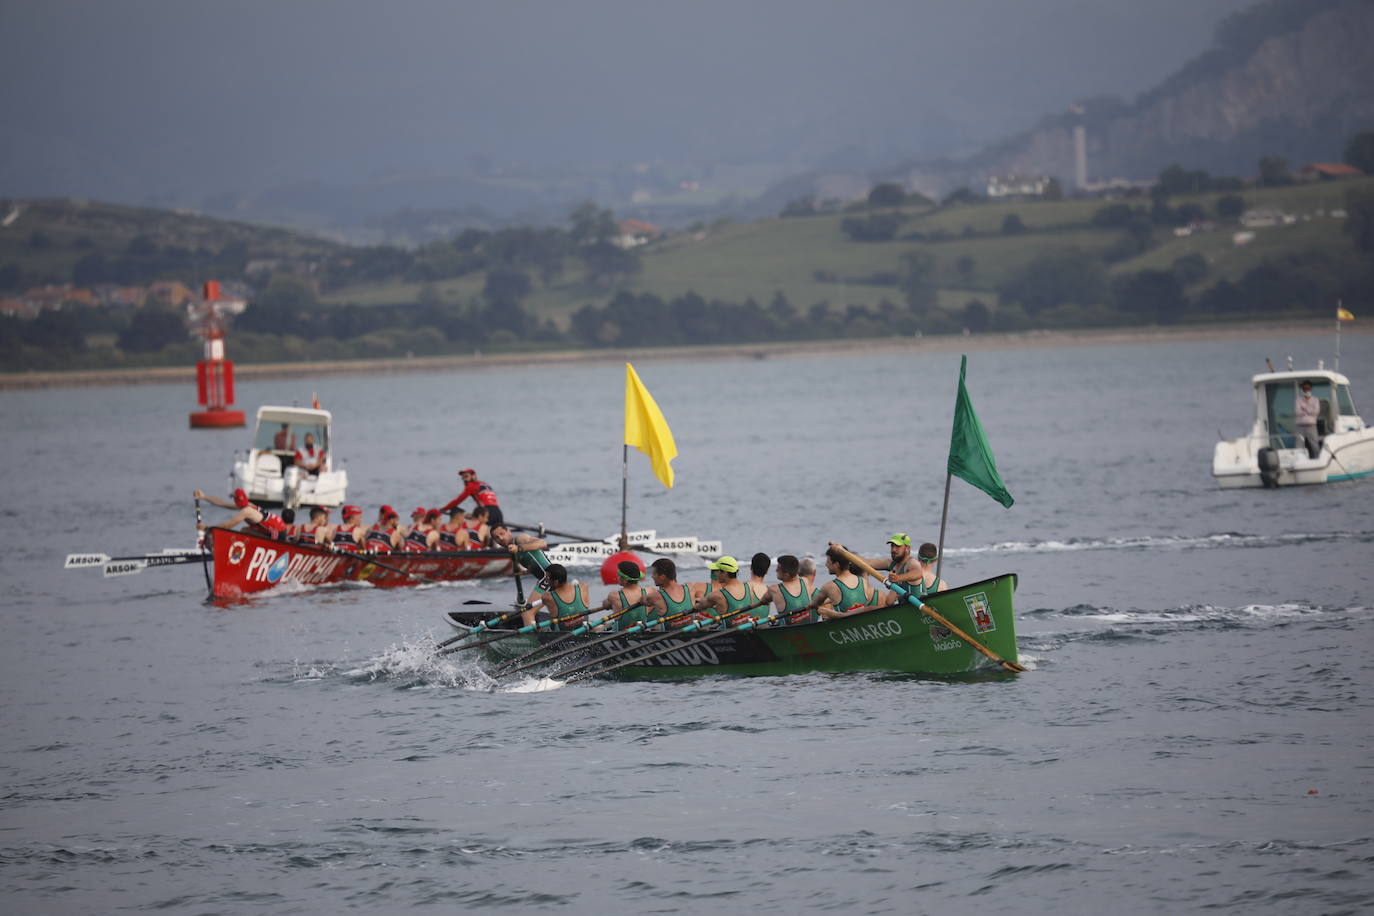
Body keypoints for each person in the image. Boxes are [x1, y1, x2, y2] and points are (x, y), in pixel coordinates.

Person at [491, 525, 551, 624]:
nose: (500, 538)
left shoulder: (520, 539)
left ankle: (531, 638)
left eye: (502, 534)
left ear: (509, 532)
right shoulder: (512, 550)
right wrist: (525, 572)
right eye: (496, 537)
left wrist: (519, 548)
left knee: (527, 612)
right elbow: (533, 564)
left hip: (548, 578)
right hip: (549, 579)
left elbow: (543, 543)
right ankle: (544, 633)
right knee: (555, 611)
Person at [803, 547, 878, 620]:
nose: (826, 564)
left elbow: (814, 604)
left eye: (828, 562)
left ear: (836, 565)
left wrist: (826, 612)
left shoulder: (829, 586)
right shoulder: (863, 581)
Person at [689, 556, 761, 625]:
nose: (717, 574)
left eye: (718, 571)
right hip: (747, 629)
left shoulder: (718, 595)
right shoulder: (749, 587)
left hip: (728, 635)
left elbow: (698, 607)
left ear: (725, 573)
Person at [193, 487, 288, 538]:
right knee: (245, 530)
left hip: (278, 534)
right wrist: (204, 497)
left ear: (235, 500)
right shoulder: (248, 505)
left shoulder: (246, 511)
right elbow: (222, 503)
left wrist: (206, 528)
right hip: (280, 529)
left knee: (244, 531)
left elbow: (227, 526)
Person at [594, 560, 651, 631]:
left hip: (619, 634)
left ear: (625, 580)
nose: (617, 577)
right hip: (642, 631)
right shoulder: (648, 592)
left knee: (594, 627)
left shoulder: (614, 595)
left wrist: (609, 604)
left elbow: (605, 604)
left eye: (618, 574)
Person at [532, 563, 591, 631]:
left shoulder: (548, 597)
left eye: (547, 578)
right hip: (583, 629)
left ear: (556, 582)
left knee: (539, 620)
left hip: (561, 634)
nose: (546, 580)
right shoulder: (583, 587)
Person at [645, 558, 696, 629]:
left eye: (654, 574)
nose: (652, 577)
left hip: (668, 637)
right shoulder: (690, 588)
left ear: (662, 576)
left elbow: (642, 601)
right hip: (691, 636)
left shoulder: (655, 596)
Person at [764, 554, 817, 624]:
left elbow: (762, 602)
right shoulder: (805, 581)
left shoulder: (774, 589)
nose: (776, 570)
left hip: (786, 632)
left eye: (778, 569)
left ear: (786, 575)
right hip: (807, 628)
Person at [1295, 380, 1321, 459]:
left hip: (1311, 426)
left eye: (1308, 388)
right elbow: (1298, 411)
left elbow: (1316, 411)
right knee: (1299, 445)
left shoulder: (1315, 400)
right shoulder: (1298, 400)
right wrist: (1310, 410)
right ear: (1302, 389)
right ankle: (1299, 460)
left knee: (1314, 444)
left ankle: (1317, 459)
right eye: (1305, 388)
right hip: (1300, 426)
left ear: (1311, 389)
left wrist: (1305, 409)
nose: (1306, 390)